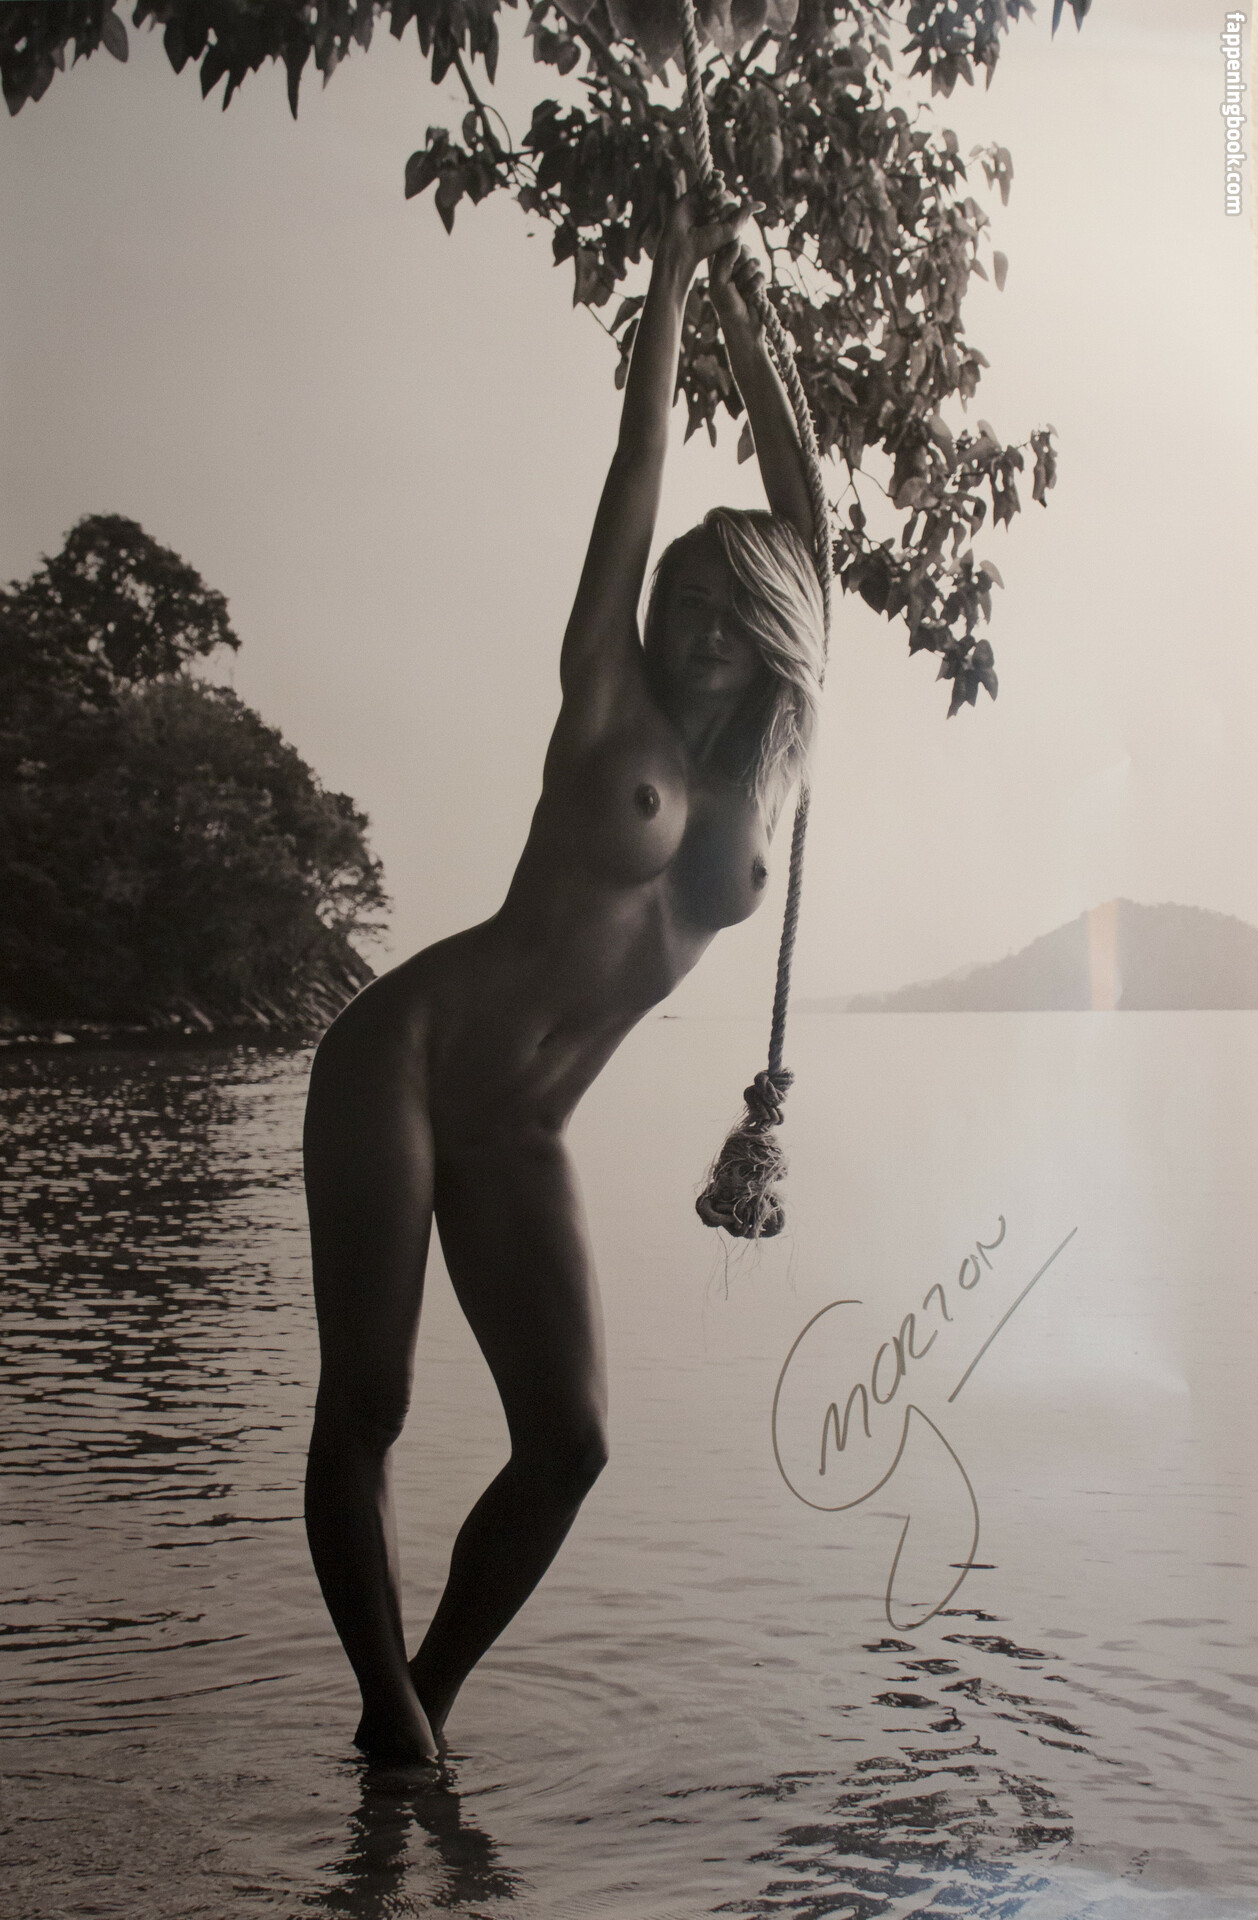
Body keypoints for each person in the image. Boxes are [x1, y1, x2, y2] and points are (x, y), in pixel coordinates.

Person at [303, 185, 827, 1767]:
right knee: (370, 1405)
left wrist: (749, 307)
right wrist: (669, 282)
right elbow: (638, 464)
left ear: (768, 626)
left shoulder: (767, 781)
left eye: (721, 611)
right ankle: (397, 1732)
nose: (692, 627)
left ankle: (418, 1716)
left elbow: (809, 513)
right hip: (404, 1060)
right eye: (676, 602)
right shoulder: (605, 698)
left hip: (523, 1129)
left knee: (570, 1446)